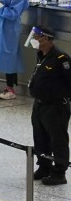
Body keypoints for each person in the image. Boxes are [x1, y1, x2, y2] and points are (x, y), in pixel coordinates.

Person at [27, 26, 71, 186]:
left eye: (36, 36)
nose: (33, 39)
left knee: (57, 138)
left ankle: (59, 172)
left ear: (45, 39)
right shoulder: (41, 56)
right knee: (40, 137)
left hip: (56, 107)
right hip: (39, 105)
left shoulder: (61, 59)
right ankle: (44, 166)